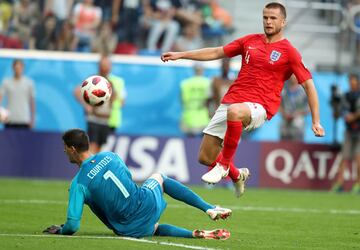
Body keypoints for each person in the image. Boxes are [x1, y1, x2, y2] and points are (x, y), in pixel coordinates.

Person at [161, 2, 325, 197]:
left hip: (260, 106)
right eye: (265, 17)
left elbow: (308, 85)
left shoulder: (289, 52)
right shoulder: (250, 41)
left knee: (235, 112)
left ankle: (224, 166)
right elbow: (217, 52)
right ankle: (237, 175)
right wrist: (181, 55)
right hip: (232, 100)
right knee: (205, 157)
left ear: (283, 21)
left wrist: (316, 121)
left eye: (273, 18)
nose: (268, 21)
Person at [43, 128, 231, 240]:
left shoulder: (78, 184)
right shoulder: (110, 156)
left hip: (127, 229)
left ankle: (193, 233)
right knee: (160, 177)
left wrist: (61, 231)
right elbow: (127, 176)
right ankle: (209, 208)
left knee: (151, 228)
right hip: (146, 204)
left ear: (72, 149)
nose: (64, 151)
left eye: (65, 148)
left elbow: (73, 225)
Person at [74, 56, 116, 153]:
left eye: (108, 65)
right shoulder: (94, 80)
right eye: (104, 65)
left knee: (99, 149)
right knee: (92, 147)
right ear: (100, 66)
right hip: (94, 119)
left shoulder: (110, 82)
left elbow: (113, 98)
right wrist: (86, 105)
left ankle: (94, 167)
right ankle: (91, 167)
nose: (107, 67)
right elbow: (77, 91)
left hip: (105, 120)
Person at [331, 73, 360, 194]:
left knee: (358, 159)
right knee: (344, 158)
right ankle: (340, 184)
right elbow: (339, 112)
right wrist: (336, 107)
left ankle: (358, 185)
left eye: (353, 80)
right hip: (349, 131)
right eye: (350, 80)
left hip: (359, 131)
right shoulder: (346, 96)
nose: (351, 82)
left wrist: (352, 116)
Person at [0, 59, 36, 129]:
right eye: (16, 68)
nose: (18, 70)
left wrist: (32, 119)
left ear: (23, 68)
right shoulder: (6, 82)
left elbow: (32, 102)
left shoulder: (29, 83)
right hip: (9, 120)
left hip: (24, 120)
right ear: (13, 68)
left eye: (19, 68)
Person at [180, 63, 211, 137]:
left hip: (188, 117)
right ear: (203, 70)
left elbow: (182, 100)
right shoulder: (208, 82)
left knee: (189, 144)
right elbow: (210, 102)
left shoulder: (185, 83)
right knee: (203, 144)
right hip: (204, 117)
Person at [279, 74, 309, 141]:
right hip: (285, 118)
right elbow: (278, 105)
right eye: (291, 75)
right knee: (282, 127)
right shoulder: (283, 89)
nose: (292, 77)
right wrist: (284, 113)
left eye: (294, 75)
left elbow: (309, 108)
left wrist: (297, 113)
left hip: (298, 118)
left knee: (297, 124)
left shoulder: (303, 91)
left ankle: (298, 148)